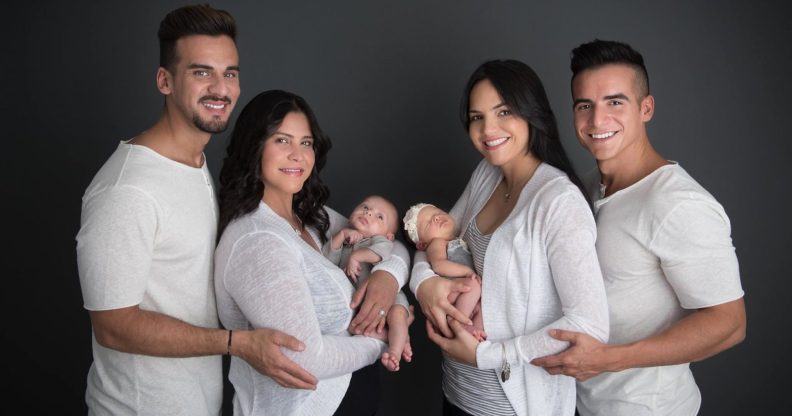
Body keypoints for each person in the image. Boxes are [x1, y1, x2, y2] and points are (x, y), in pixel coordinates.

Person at [75, 5, 316, 415]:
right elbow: (113, 326)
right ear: (164, 80)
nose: (221, 89)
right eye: (201, 72)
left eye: (230, 73)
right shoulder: (127, 189)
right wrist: (235, 344)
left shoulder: (197, 162)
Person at [530, 39, 747, 416]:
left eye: (615, 102)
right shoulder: (585, 187)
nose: (597, 121)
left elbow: (729, 324)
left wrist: (609, 360)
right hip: (579, 403)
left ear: (646, 108)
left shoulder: (677, 203)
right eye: (585, 106)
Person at [410, 59, 610, 416]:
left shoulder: (558, 201)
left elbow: (588, 324)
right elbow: (433, 238)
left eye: (504, 112)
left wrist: (488, 355)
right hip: (458, 392)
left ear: (531, 113)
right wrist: (424, 284)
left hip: (514, 407)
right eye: (477, 117)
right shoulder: (486, 175)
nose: (489, 129)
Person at [214, 89, 411, 415]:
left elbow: (393, 244)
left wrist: (388, 279)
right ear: (254, 148)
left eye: (306, 143)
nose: (298, 155)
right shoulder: (256, 241)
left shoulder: (313, 216)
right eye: (282, 141)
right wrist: (380, 341)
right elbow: (304, 357)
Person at [323, 195, 414, 371]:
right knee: (358, 325)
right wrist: (341, 235)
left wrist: (357, 256)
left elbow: (381, 253)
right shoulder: (346, 239)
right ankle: (391, 336)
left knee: (397, 316)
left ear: (389, 235)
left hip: (390, 298)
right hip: (362, 303)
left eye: (380, 216)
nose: (369, 213)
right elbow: (325, 260)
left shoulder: (379, 240)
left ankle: (394, 352)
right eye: (365, 207)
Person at [402, 202, 485, 341]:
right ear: (422, 244)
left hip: (465, 295)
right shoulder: (437, 243)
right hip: (451, 291)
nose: (436, 217)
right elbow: (439, 265)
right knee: (473, 286)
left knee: (483, 308)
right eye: (429, 223)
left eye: (436, 211)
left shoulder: (457, 238)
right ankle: (460, 324)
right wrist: (467, 271)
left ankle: (475, 333)